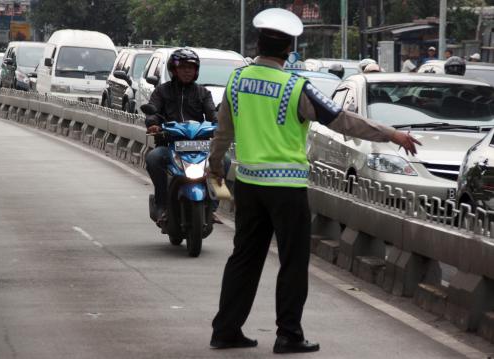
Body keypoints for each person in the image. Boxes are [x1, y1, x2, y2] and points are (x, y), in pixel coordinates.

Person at [208, 7, 420, 354]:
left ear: (258, 44)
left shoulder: (236, 81)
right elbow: (342, 121)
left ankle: (226, 329)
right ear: (290, 49)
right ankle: (288, 334)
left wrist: (215, 168)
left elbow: (222, 133)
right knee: (292, 261)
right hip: (286, 189)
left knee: (244, 258)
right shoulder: (296, 87)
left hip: (247, 183)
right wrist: (391, 134)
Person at [144, 48, 217, 221]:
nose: (187, 71)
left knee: (224, 160)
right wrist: (153, 124)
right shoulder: (162, 91)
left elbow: (213, 115)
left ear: (196, 70)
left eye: (191, 67)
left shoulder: (203, 93)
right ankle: (162, 204)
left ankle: (213, 207)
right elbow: (152, 112)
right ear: (173, 70)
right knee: (153, 158)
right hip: (169, 144)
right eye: (183, 67)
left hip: (200, 146)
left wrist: (220, 125)